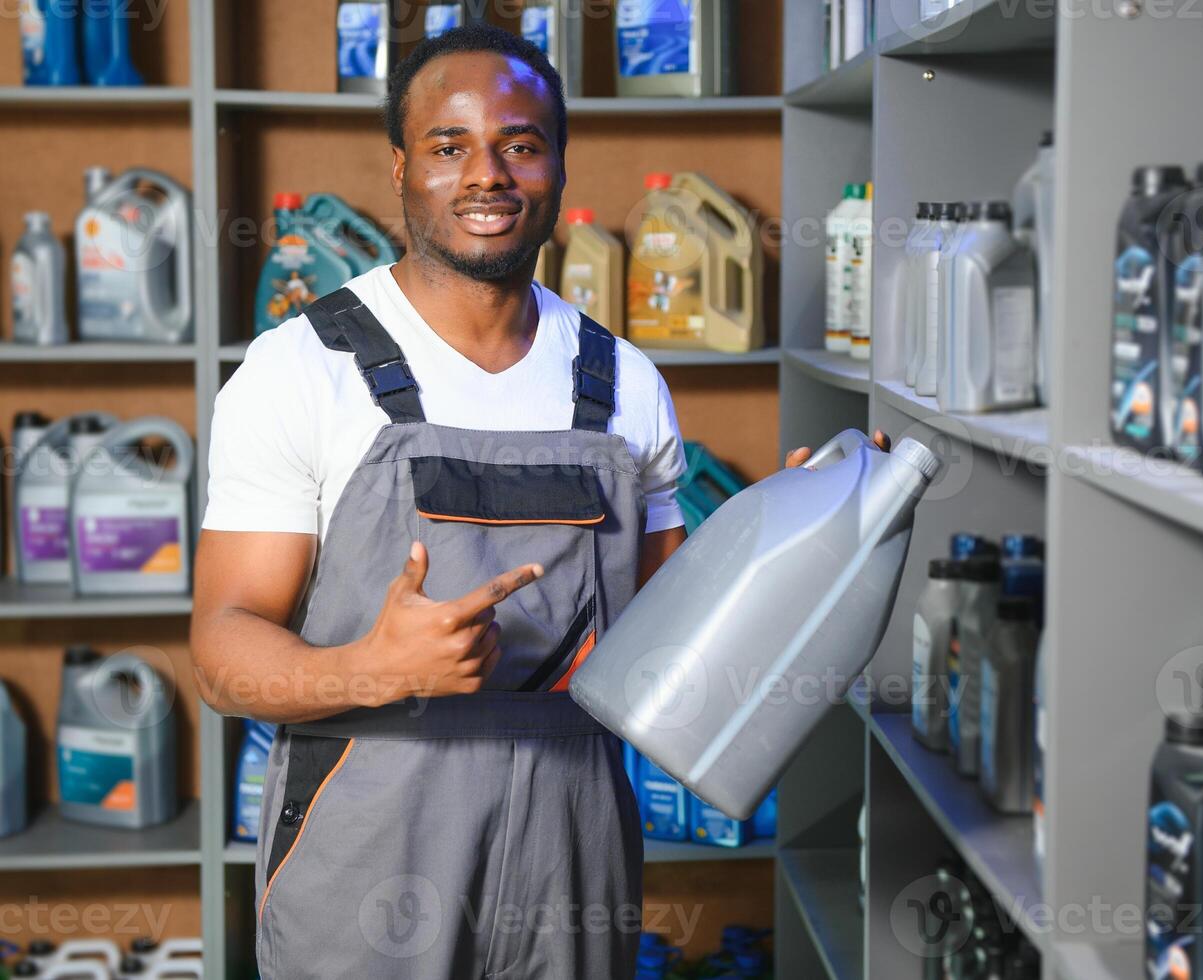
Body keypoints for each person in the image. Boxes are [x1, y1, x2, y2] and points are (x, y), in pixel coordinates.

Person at [191, 21, 886, 978]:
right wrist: (377, 667)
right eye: (449, 146)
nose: (488, 175)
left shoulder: (623, 381)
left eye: (520, 144)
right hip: (367, 833)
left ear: (558, 165)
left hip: (574, 835)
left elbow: (672, 651)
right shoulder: (300, 371)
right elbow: (224, 657)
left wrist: (804, 538)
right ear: (400, 168)